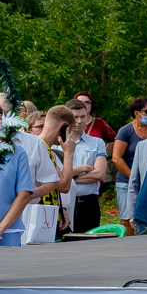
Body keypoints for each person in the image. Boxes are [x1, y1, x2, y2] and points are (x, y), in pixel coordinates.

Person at [0, 106, 78, 245]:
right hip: (16, 213)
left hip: (27, 214)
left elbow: (56, 184)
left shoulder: (33, 147)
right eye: (38, 126)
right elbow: (62, 184)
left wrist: (26, 195)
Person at [60, 98, 109, 234]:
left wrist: (68, 178)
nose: (80, 121)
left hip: (88, 203)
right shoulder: (56, 143)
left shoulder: (97, 143)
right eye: (75, 117)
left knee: (89, 245)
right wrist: (84, 168)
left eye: (83, 117)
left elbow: (99, 174)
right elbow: (54, 175)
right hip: (63, 204)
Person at [111, 99, 147, 222]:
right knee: (127, 218)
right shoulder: (125, 131)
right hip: (126, 182)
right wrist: (134, 177)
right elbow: (116, 158)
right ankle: (129, 241)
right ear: (136, 113)